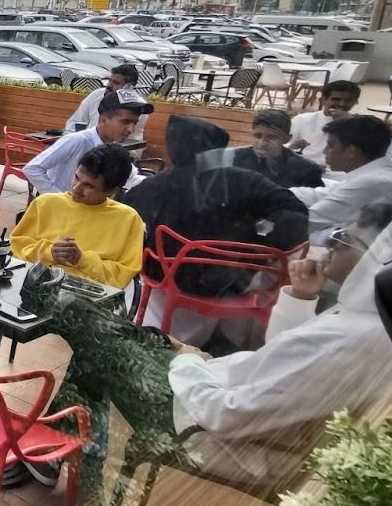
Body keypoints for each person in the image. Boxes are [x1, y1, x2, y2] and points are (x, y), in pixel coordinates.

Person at [167, 203, 392, 486]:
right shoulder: (378, 321)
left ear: (376, 260)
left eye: (343, 239)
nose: (331, 245)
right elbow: (286, 360)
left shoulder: (346, 338)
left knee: (142, 364)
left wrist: (188, 362)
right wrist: (301, 296)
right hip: (256, 424)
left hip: (228, 444)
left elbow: (227, 416)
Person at [0, 143, 144, 376]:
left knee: (100, 347)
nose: (76, 189)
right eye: (76, 178)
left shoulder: (128, 220)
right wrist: (49, 252)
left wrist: (82, 260)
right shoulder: (47, 204)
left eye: (89, 186)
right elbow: (17, 247)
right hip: (30, 292)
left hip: (85, 302)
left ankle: (71, 401)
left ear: (111, 191)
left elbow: (121, 277)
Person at [123, 116, 310, 346]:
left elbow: (125, 218)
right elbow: (296, 212)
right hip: (231, 282)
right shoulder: (245, 180)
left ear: (172, 147)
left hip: (168, 277)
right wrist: (268, 249)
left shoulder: (156, 185)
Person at [291, 114, 392, 239]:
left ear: (350, 151)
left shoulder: (371, 183)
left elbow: (307, 223)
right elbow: (331, 193)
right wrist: (282, 193)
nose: (325, 151)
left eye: (331, 146)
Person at [20, 92, 148, 196]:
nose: (131, 129)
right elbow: (32, 169)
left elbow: (132, 178)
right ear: (103, 120)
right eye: (125, 122)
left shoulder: (115, 151)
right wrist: (59, 200)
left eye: (134, 123)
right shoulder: (77, 140)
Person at [231, 108, 324, 189]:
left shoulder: (306, 170)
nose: (262, 143)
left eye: (272, 137)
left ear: (287, 139)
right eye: (258, 136)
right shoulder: (238, 157)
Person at [288, 80, 359, 167]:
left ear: (355, 102)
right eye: (336, 99)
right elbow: (283, 147)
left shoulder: (358, 125)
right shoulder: (303, 119)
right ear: (323, 100)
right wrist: (292, 146)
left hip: (338, 172)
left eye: (348, 101)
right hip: (303, 167)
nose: (341, 104)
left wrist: (349, 122)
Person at [64, 63, 141, 134]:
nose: (109, 85)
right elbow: (75, 122)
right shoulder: (97, 94)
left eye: (116, 83)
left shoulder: (138, 105)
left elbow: (126, 136)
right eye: (109, 80)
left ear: (129, 87)